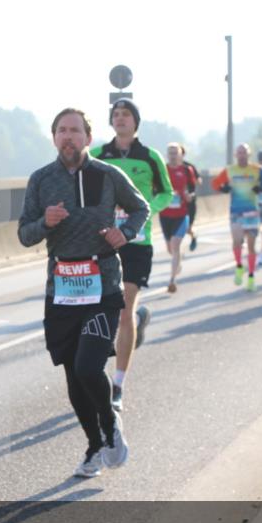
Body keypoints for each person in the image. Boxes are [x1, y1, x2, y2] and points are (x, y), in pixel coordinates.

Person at [19, 107, 148, 478]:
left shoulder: (107, 175)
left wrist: (126, 233)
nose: (68, 137)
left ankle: (110, 426)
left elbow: (140, 208)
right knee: (73, 377)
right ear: (54, 137)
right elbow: (24, 234)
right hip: (60, 290)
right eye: (61, 130)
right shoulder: (41, 180)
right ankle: (94, 445)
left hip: (102, 286)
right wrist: (46, 221)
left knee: (89, 366)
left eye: (75, 130)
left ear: (88, 138)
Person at [91, 99, 170, 411]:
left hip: (137, 240)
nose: (120, 118)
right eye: (116, 115)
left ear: (136, 122)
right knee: (103, 311)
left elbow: (166, 191)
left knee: (123, 310)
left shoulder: (150, 157)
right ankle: (136, 320)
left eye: (126, 115)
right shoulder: (97, 156)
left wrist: (147, 212)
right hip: (103, 242)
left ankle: (118, 385)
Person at [212, 144, 262, 292]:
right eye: (239, 153)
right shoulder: (230, 170)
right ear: (236, 155)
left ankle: (251, 277)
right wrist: (223, 188)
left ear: (249, 154)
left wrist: (261, 188)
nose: (242, 155)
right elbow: (215, 183)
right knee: (236, 242)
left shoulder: (257, 170)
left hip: (252, 212)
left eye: (244, 153)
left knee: (251, 246)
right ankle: (239, 266)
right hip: (235, 212)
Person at [162, 143, 197, 291]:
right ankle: (178, 261)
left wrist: (189, 196)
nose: (172, 155)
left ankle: (172, 280)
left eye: (175, 152)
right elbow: (155, 188)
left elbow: (193, 191)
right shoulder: (162, 170)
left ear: (181, 154)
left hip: (182, 214)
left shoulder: (187, 170)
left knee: (175, 244)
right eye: (170, 152)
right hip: (165, 215)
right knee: (171, 249)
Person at [180, 144, 203, 251]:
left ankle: (193, 236)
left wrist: (188, 191)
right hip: (175, 203)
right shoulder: (168, 167)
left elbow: (199, 180)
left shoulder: (189, 167)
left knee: (188, 227)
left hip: (189, 202)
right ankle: (177, 248)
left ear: (182, 154)